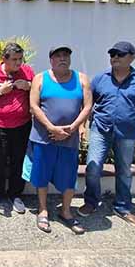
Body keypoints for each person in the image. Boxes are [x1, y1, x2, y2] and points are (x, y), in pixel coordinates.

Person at [78, 41, 135, 229]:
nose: (115, 57)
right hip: (101, 130)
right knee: (93, 167)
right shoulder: (100, 79)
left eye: (120, 54)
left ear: (132, 57)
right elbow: (87, 104)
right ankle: (91, 201)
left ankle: (122, 207)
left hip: (128, 133)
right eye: (112, 54)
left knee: (124, 171)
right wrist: (82, 125)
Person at [25, 45, 91, 235]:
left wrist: (73, 128)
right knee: (42, 175)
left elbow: (87, 106)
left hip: (69, 139)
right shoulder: (40, 78)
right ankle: (43, 209)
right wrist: (51, 127)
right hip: (44, 137)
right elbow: (34, 106)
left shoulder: (81, 79)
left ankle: (66, 211)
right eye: (58, 56)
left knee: (68, 176)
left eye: (66, 55)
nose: (62, 58)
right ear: (51, 60)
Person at [0, 42, 34, 214]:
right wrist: (0, 92)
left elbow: (38, 91)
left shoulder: (27, 71)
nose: (18, 63)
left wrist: (28, 86)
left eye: (20, 59)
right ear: (4, 59)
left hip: (22, 125)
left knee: (18, 160)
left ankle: (15, 194)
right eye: (14, 59)